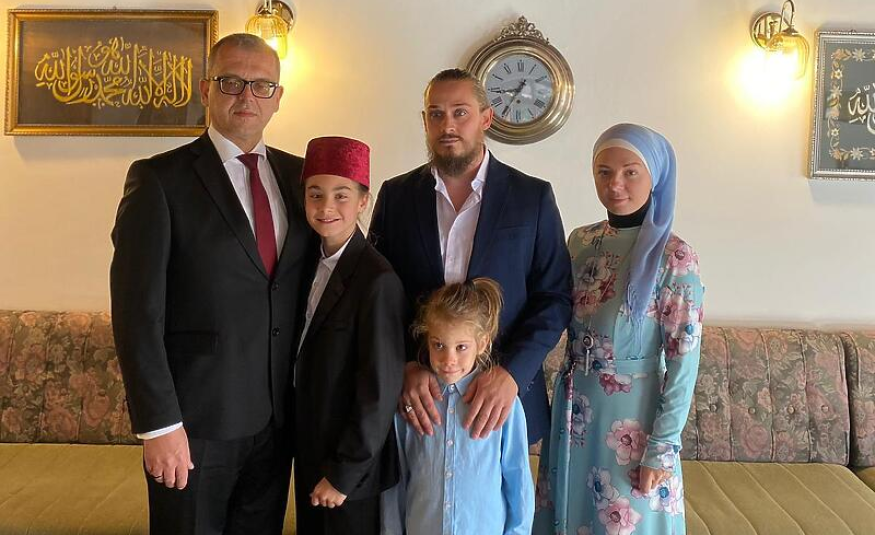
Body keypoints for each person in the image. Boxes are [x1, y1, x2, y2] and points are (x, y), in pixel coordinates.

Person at [110, 34, 316, 534]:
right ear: (206, 89)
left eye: (262, 85)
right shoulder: (159, 180)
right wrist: (159, 425)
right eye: (231, 82)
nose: (247, 96)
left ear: (278, 97)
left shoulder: (302, 178)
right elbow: (137, 314)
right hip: (194, 424)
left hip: (278, 421)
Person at [368, 68, 572, 446]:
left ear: (486, 118)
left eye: (460, 112)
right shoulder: (396, 196)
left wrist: (512, 373)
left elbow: (554, 297)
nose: (447, 125)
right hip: (419, 404)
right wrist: (405, 365)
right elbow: (376, 295)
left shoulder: (532, 197)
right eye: (436, 114)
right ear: (425, 122)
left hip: (502, 406)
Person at [532, 123, 705, 535]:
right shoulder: (580, 242)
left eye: (630, 172)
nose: (615, 184)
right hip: (574, 410)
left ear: (655, 176)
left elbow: (684, 364)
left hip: (633, 424)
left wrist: (661, 448)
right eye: (604, 172)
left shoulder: (675, 256)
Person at [293, 136, 407, 534]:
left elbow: (379, 389)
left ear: (362, 202)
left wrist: (344, 474)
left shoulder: (377, 279)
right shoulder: (304, 262)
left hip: (351, 469)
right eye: (315, 194)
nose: (326, 207)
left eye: (341, 195)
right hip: (310, 449)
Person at [382, 278, 534, 535]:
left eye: (461, 347)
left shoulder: (505, 406)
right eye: (438, 345)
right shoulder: (412, 403)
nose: (448, 359)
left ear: (482, 343)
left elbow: (518, 479)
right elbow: (397, 480)